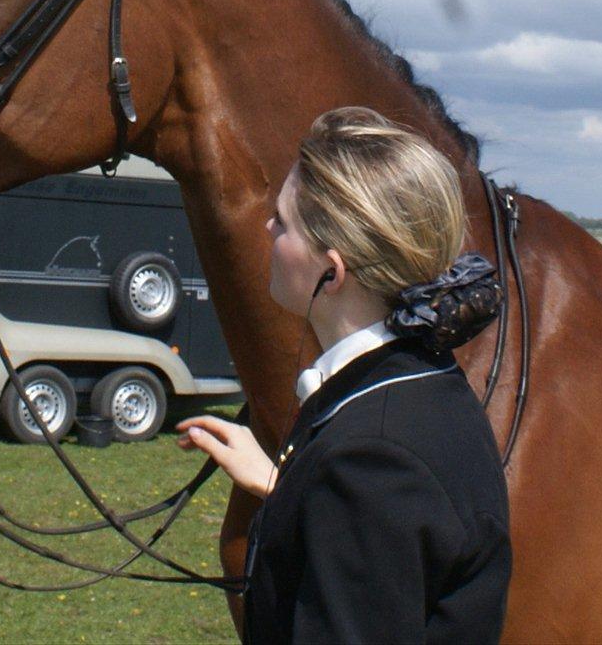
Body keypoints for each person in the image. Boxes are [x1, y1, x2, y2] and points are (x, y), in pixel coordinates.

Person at [177, 107, 511, 644]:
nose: (268, 228)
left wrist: (331, 488)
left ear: (331, 271)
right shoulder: (427, 380)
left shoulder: (369, 464)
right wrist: (282, 489)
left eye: (283, 222)